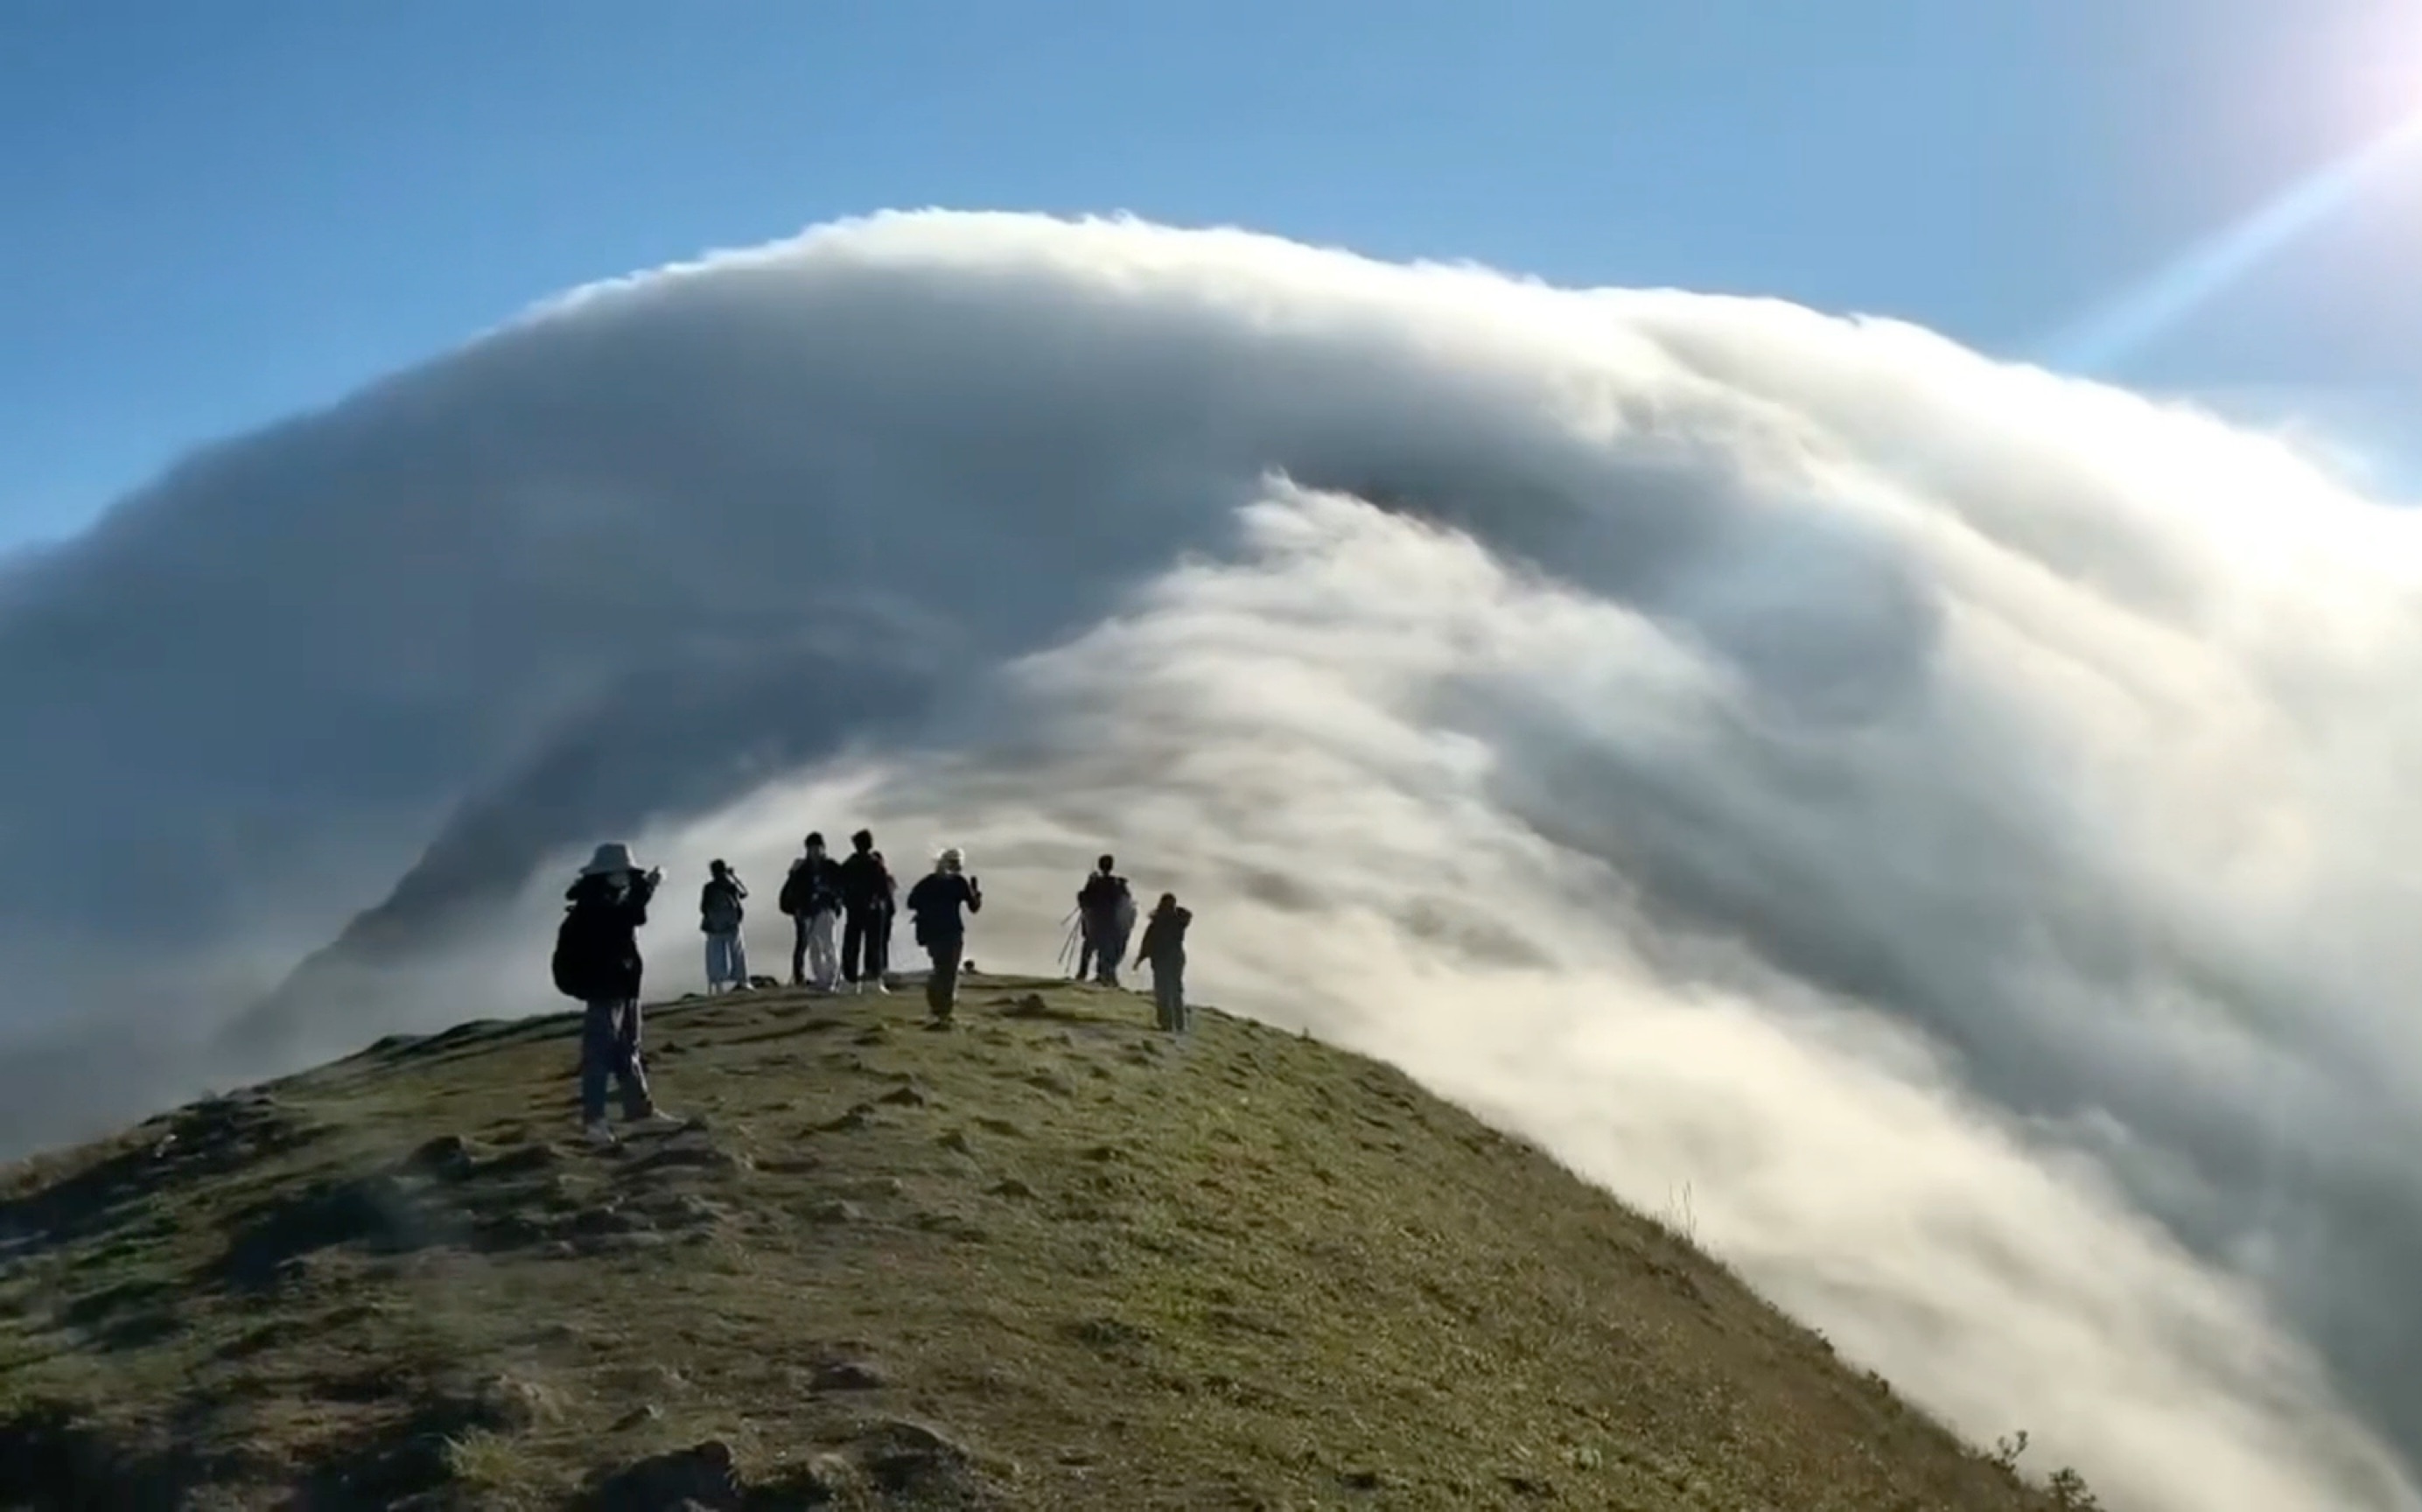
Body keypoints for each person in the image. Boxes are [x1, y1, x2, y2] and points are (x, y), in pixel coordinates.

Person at [552, 843, 675, 1144]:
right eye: (620, 873)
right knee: (600, 1055)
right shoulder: (596, 907)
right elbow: (630, 916)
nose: (624, 878)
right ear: (605, 875)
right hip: (606, 988)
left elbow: (631, 915)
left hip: (623, 986)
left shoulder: (605, 902)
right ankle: (595, 1121)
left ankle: (638, 1111)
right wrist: (648, 887)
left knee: (628, 1050)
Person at [904, 847, 982, 1025]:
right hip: (952, 930)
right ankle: (944, 1011)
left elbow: (911, 902)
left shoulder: (929, 882)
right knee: (949, 971)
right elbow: (974, 907)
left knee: (940, 969)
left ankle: (937, 1008)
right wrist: (976, 893)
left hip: (932, 933)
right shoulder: (958, 882)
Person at [778, 832, 844, 990]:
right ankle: (821, 979)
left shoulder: (831, 867)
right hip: (809, 912)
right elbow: (794, 890)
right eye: (811, 848)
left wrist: (835, 900)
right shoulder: (802, 870)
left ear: (822, 848)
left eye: (816, 848)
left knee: (829, 945)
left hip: (826, 909)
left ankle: (832, 978)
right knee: (815, 947)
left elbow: (842, 885)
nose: (814, 851)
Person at [837, 829, 895, 994]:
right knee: (873, 946)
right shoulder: (875, 864)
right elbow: (884, 889)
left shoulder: (850, 864)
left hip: (857, 909)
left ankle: (851, 981)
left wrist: (847, 901)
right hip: (872, 910)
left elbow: (841, 885)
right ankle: (872, 980)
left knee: (853, 946)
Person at [1135, 892, 1194, 1036]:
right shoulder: (1178, 921)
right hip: (1176, 959)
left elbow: (1147, 942)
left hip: (1162, 959)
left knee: (1163, 992)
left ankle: (1167, 1024)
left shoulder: (1158, 922)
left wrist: (1140, 959)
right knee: (1175, 991)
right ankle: (1179, 1025)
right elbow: (1187, 915)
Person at [1075, 854, 1135, 988]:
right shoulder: (1118, 884)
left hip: (1096, 923)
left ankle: (1088, 974)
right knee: (1104, 951)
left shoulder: (1096, 883)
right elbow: (1127, 905)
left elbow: (1084, 900)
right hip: (1110, 925)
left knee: (1089, 949)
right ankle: (1104, 975)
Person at [698, 859, 748, 994]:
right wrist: (733, 877)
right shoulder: (730, 886)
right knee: (737, 953)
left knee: (716, 956)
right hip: (731, 923)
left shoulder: (709, 887)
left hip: (714, 926)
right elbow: (744, 893)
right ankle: (741, 980)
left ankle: (718, 985)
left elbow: (703, 908)